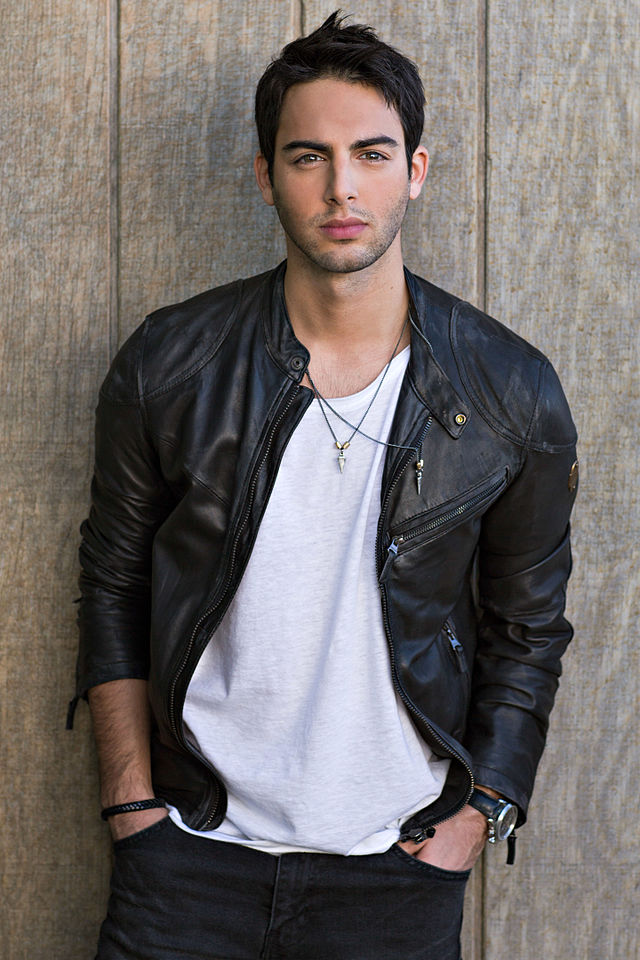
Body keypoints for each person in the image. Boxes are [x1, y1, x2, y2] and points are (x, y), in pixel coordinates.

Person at [70, 12, 578, 960]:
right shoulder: (169, 366)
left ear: (415, 171)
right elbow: (114, 585)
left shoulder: (510, 393)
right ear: (267, 176)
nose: (342, 187)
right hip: (188, 857)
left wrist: (481, 814)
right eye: (309, 156)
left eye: (371, 154)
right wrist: (131, 802)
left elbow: (529, 626)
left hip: (397, 869)